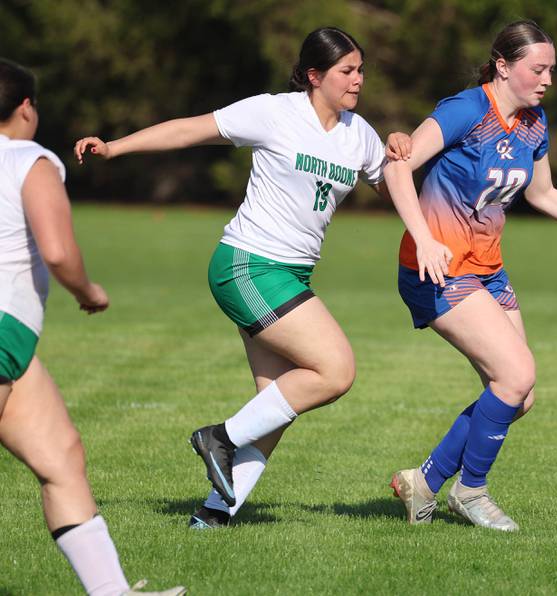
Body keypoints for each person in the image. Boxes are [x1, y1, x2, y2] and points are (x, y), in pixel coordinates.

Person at [75, 27, 407, 529]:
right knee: (336, 371)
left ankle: (213, 515)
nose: (359, 80)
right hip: (247, 264)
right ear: (314, 76)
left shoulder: (359, 134)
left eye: (361, 70)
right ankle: (219, 439)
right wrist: (115, 148)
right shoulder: (275, 112)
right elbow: (190, 129)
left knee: (274, 406)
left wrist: (405, 150)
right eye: (347, 71)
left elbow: (400, 191)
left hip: (289, 274)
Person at [383, 20, 557, 531]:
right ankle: (470, 492)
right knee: (515, 377)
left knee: (519, 395)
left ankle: (423, 483)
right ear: (503, 66)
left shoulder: (534, 122)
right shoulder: (466, 109)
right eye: (539, 68)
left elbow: (542, 193)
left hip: (487, 270)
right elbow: (397, 166)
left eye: (552, 69)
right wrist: (423, 237)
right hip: (438, 270)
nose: (548, 78)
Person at [0, 59, 185, 595]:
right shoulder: (30, 160)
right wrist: (88, 291)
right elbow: (57, 251)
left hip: (14, 349)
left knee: (61, 457)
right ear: (27, 108)